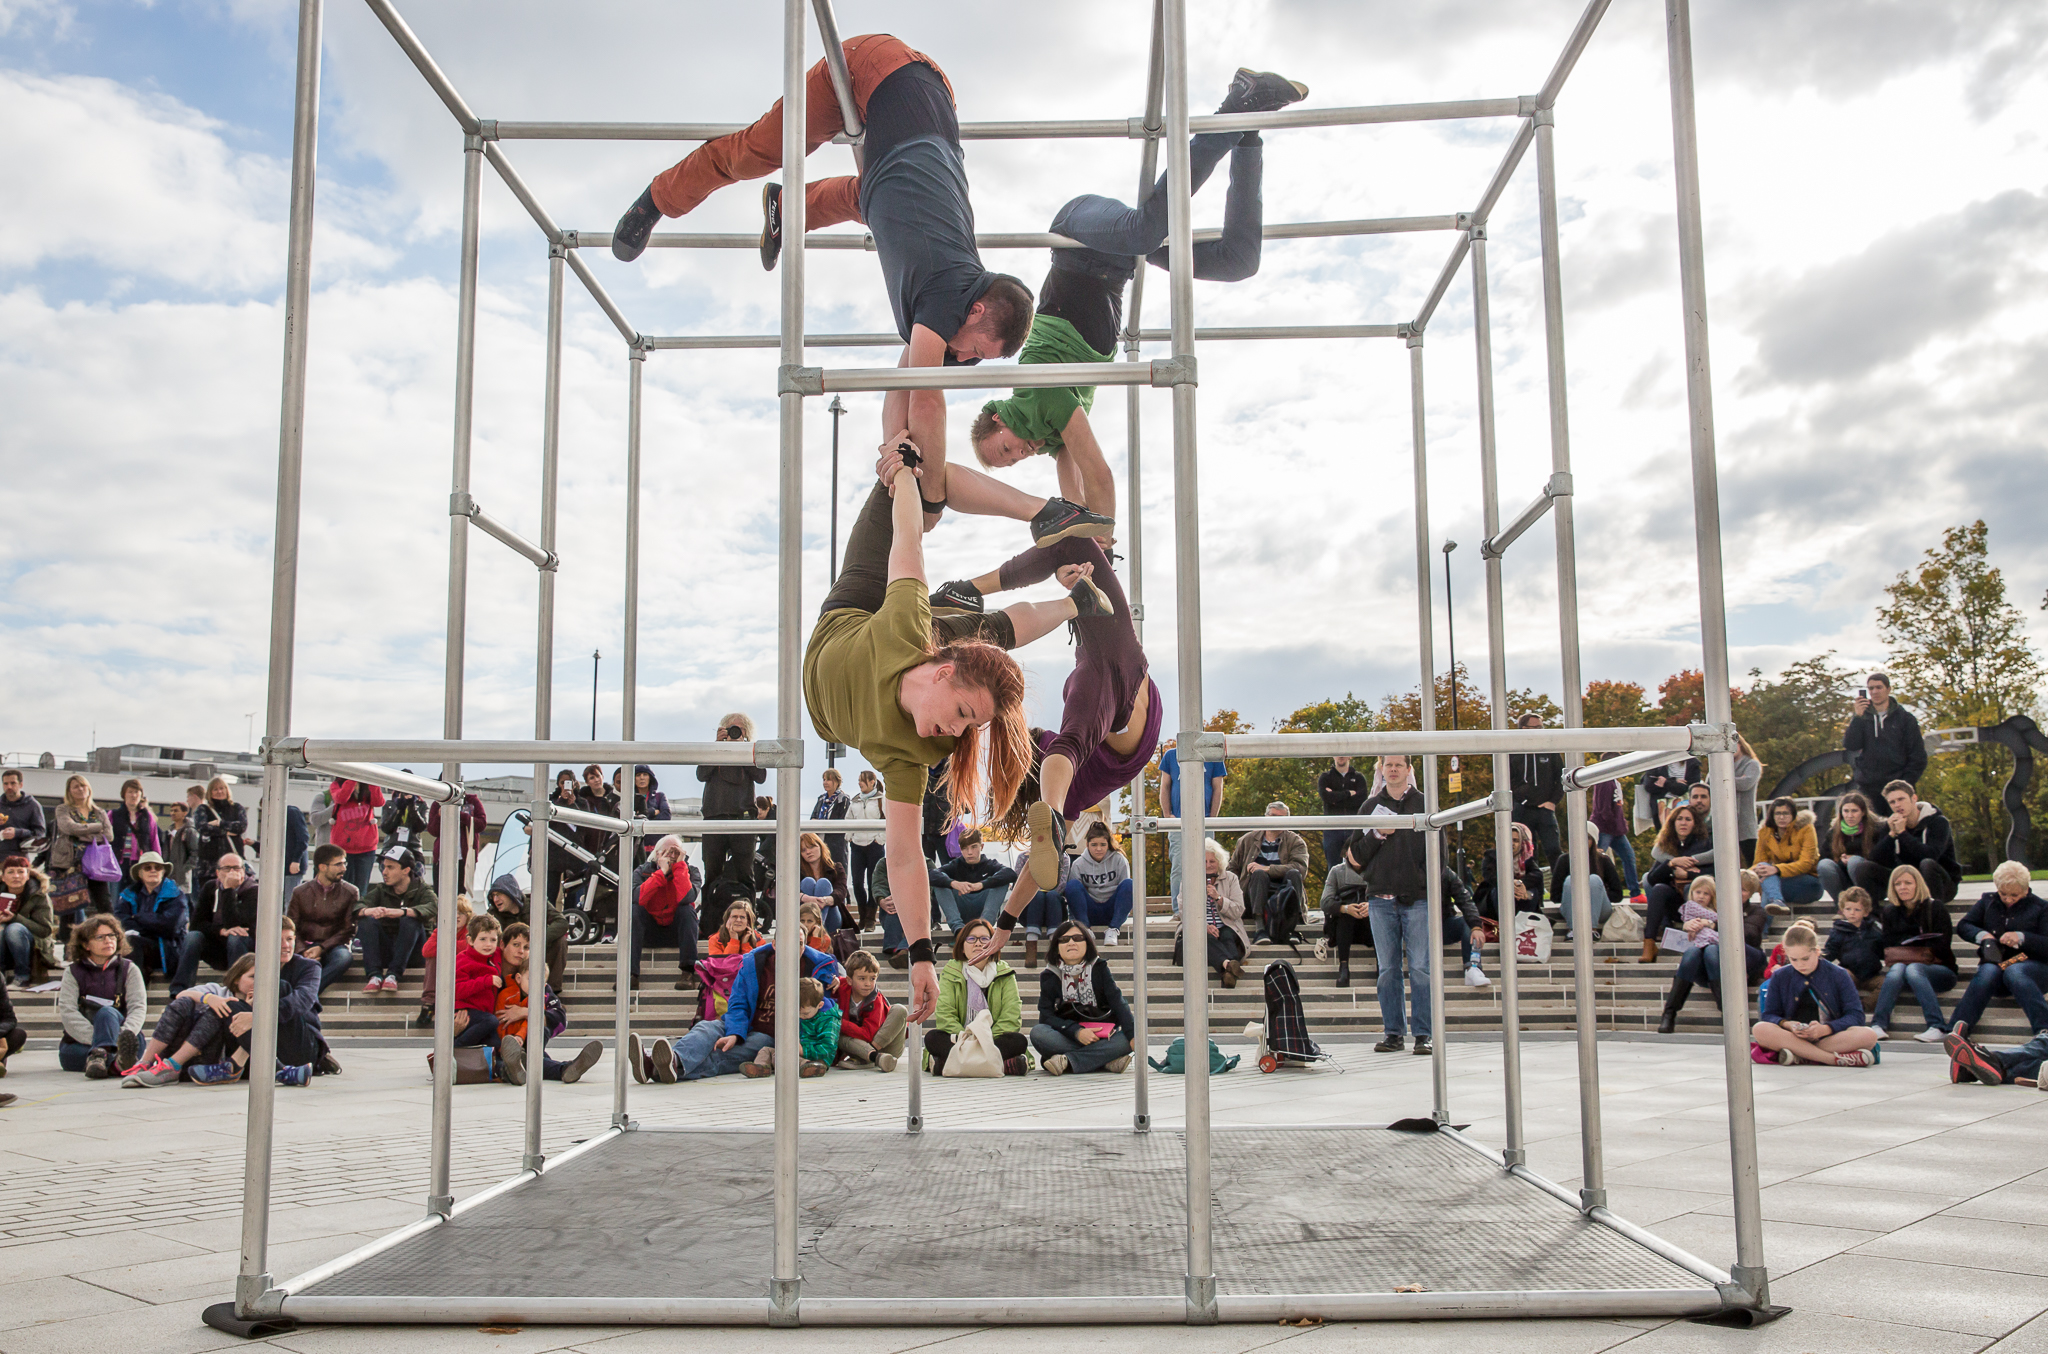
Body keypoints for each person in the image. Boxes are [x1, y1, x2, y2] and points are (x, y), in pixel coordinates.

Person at [613, 32, 1037, 505]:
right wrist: (933, 495)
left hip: (928, 108)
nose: (962, 360)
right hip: (875, 69)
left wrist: (896, 451)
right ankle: (659, 198)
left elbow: (903, 382)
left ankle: (786, 207)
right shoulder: (943, 294)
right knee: (761, 150)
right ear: (976, 310)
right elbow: (925, 398)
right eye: (973, 349)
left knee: (874, 201)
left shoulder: (959, 305)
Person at [969, 68, 1308, 521]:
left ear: (998, 417)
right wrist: (1075, 531)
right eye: (1014, 462)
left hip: (1078, 238)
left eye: (1007, 448)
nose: (1021, 453)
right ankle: (1247, 131)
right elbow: (1073, 486)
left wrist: (1100, 540)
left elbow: (1099, 475)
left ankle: (1238, 105)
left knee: (1147, 227)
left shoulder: (1037, 396)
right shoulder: (1049, 434)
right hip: (1121, 259)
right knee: (1238, 261)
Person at [804, 445, 1050, 1024]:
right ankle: (911, 448)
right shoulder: (908, 623)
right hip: (859, 610)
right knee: (899, 479)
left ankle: (1073, 602)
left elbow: (906, 856)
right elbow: (909, 540)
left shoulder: (918, 750)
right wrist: (905, 474)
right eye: (962, 712)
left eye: (971, 726)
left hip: (843, 660)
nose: (956, 732)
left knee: (988, 630)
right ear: (942, 673)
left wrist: (919, 954)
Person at [651, 938, 843, 1082]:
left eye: (799, 943)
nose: (794, 948)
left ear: (805, 946)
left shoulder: (817, 969)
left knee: (725, 1055)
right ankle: (673, 1060)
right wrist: (735, 1032)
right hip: (740, 1022)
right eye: (787, 941)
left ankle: (658, 1069)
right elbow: (738, 1002)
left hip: (769, 1035)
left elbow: (822, 1006)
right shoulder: (755, 964)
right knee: (705, 1028)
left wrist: (833, 982)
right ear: (775, 944)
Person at [1345, 755, 1432, 1055]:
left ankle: (1424, 1034)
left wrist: (1426, 885)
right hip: (1380, 900)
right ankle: (1393, 1033)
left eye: (1399, 765)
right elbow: (1353, 858)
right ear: (1381, 770)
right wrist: (1379, 833)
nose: (1393, 770)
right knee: (1388, 970)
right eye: (1388, 765)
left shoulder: (1425, 804)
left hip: (1417, 899)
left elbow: (1440, 857)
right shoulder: (1369, 807)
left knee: (1421, 968)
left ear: (1409, 770)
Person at [1751, 920, 1883, 1067]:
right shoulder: (1780, 975)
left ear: (1817, 951)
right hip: (1793, 1037)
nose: (1800, 964)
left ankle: (1800, 1055)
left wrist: (1826, 1029)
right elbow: (1769, 1015)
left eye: (1805, 958)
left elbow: (1856, 1016)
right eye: (1794, 959)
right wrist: (1788, 1025)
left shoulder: (1838, 974)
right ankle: (1831, 1059)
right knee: (1760, 1029)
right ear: (1786, 954)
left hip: (1828, 1037)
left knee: (1868, 1035)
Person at [119, 954, 259, 1086]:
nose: (258, 982)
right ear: (236, 978)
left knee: (224, 1008)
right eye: (253, 977)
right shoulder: (219, 991)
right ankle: (145, 1063)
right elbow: (181, 995)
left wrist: (248, 1009)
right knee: (184, 1002)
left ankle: (172, 1067)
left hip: (210, 1062)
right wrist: (209, 998)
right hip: (180, 1048)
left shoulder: (267, 1004)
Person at [1655, 872, 1767, 1033]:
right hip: (1713, 966)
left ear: (1751, 893)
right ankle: (1669, 1014)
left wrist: (1711, 924)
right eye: (1734, 887)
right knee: (1694, 953)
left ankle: (1729, 1014)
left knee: (1712, 949)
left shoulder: (1756, 912)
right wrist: (1688, 925)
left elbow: (1748, 935)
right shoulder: (1712, 908)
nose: (1736, 891)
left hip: (1746, 960)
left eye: (1743, 889)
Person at [494, 922, 603, 1086]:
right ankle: (566, 1068)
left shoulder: (539, 984)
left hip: (527, 1041)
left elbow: (559, 1019)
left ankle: (519, 1065)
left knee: (540, 1030)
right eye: (516, 945)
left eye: (527, 947)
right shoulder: (495, 978)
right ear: (502, 945)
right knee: (533, 1060)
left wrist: (525, 1012)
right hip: (498, 1043)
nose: (521, 951)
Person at [1952, 860, 2048, 1034]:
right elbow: (1964, 925)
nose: (2008, 899)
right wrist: (1984, 936)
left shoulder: (2041, 908)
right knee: (1989, 971)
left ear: (2026, 889)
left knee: (2014, 971)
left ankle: (2044, 1030)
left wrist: (2022, 937)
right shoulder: (1987, 901)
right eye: (2003, 894)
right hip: (1996, 964)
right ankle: (1956, 1030)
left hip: (2032, 967)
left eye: (2015, 895)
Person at [1030, 918, 1136, 1076]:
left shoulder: (1099, 968)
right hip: (1068, 1035)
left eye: (1078, 938)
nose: (1071, 943)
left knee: (1130, 1036)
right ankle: (1105, 1060)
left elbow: (1119, 1003)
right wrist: (1076, 1031)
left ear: (1087, 943)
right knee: (1038, 1033)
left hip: (1102, 1036)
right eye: (1064, 940)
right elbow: (1045, 1016)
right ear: (1057, 947)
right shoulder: (1050, 975)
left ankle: (1066, 1061)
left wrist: (1133, 1036)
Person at [927, 918, 1027, 1076]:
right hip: (961, 1037)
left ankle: (949, 1064)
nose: (978, 943)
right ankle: (1002, 1064)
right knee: (933, 1038)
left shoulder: (1005, 973)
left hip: (993, 1038)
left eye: (985, 939)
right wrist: (967, 1039)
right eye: (971, 939)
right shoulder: (951, 971)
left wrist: (985, 1040)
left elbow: (1011, 1014)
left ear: (994, 943)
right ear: (962, 945)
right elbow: (945, 1014)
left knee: (1018, 1041)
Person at [1869, 866, 1958, 1042]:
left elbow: (1943, 944)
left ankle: (1937, 1026)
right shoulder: (1889, 912)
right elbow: (1887, 945)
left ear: (1918, 884)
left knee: (1912, 968)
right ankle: (1878, 1025)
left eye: (1908, 883)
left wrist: (1911, 942)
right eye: (1898, 884)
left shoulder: (1935, 908)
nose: (1903, 887)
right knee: (1899, 969)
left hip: (1940, 971)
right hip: (1904, 971)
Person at [57, 914, 145, 1077]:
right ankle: (115, 1063)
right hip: (80, 1042)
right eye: (100, 937)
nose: (108, 941)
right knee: (71, 1055)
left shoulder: (129, 969)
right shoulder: (73, 972)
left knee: (106, 1012)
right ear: (86, 945)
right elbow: (68, 1013)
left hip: (125, 1038)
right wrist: (100, 1039)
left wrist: (118, 1037)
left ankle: (102, 1059)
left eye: (112, 936)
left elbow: (138, 1008)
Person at [701, 719, 768, 903]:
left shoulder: (750, 751)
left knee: (745, 873)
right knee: (712, 873)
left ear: (746, 732)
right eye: (731, 728)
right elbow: (701, 774)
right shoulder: (714, 751)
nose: (734, 732)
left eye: (739, 729)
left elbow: (761, 777)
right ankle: (708, 924)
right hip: (714, 817)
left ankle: (749, 921)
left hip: (744, 818)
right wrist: (717, 746)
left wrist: (743, 749)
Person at [1156, 738, 1227, 911]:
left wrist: (1212, 818)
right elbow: (1165, 786)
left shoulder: (1212, 757)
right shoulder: (1172, 755)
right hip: (1179, 821)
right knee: (1179, 866)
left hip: (1204, 820)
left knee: (1209, 864)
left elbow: (1217, 787)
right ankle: (1178, 910)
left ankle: (1208, 908)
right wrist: (1168, 815)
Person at [354, 846, 436, 994]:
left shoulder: (422, 889)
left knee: (410, 920)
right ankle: (374, 976)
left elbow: (434, 907)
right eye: (384, 867)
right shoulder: (381, 889)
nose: (384, 872)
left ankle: (393, 975)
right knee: (366, 920)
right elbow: (357, 907)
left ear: (406, 870)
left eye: (390, 867)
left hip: (413, 953)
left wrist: (402, 912)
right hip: (388, 950)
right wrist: (369, 910)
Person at [1639, 804, 1711, 963]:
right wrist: (1671, 863)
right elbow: (1652, 878)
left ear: (1695, 823)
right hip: (1675, 904)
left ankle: (1694, 944)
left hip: (1700, 904)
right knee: (1658, 889)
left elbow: (1713, 873)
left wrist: (1688, 873)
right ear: (1673, 823)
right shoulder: (1666, 845)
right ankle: (1649, 944)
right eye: (1679, 819)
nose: (1683, 823)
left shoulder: (1705, 843)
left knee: (1688, 888)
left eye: (1688, 819)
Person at [1228, 803, 1308, 946]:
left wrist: (1268, 869)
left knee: (1294, 873)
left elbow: (1301, 868)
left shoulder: (1296, 841)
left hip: (1284, 893)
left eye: (1281, 818)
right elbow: (1232, 868)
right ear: (1265, 816)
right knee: (1258, 874)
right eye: (1273, 816)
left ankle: (1292, 928)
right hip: (1253, 893)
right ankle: (1260, 928)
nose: (1276, 820)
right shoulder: (1246, 840)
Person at [1869, 780, 1961, 904]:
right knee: (1864, 867)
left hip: (1940, 884)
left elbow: (1930, 855)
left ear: (1914, 798)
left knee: (1927, 863)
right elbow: (1876, 858)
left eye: (1901, 799)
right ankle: (1875, 913)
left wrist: (1902, 834)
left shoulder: (1938, 822)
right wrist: (1891, 835)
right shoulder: (1892, 824)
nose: (1897, 805)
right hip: (1905, 883)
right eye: (1892, 802)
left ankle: (1932, 911)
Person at [1844, 673, 1926, 810]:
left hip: (1898, 788)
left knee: (1898, 827)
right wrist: (1857, 717)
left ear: (1888, 689)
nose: (1874, 692)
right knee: (1871, 829)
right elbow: (1851, 745)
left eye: (1879, 687)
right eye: (1871, 689)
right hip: (1868, 788)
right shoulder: (1863, 718)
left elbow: (1918, 756)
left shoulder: (1905, 719)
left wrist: (1905, 783)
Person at [1173, 838, 1248, 988]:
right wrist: (1204, 925)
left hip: (1226, 925)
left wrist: (1219, 898)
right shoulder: (1189, 880)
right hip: (1197, 929)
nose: (1208, 865)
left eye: (1212, 861)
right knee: (1202, 937)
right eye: (1204, 861)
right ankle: (1228, 966)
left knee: (1227, 938)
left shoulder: (1231, 878)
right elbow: (1184, 911)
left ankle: (1227, 969)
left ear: (1219, 862)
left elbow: (1238, 910)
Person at [286, 843, 358, 992]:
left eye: (344, 863)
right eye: (338, 864)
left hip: (334, 947)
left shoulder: (350, 892)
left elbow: (349, 929)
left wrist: (322, 948)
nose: (344, 868)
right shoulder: (300, 892)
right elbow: (291, 926)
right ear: (322, 867)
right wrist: (302, 950)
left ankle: (308, 992)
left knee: (344, 958)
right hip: (304, 946)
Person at [632, 837, 700, 993]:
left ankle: (688, 972)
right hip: (648, 932)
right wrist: (661, 873)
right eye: (667, 852)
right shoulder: (642, 871)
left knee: (687, 909)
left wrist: (679, 868)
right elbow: (638, 898)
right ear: (657, 854)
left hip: (677, 933)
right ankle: (631, 974)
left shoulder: (691, 871)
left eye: (675, 852)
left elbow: (687, 898)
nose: (671, 856)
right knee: (635, 910)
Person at [116, 850, 188, 981]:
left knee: (132, 942)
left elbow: (171, 927)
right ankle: (132, 990)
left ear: (163, 872)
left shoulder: (176, 894)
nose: (153, 870)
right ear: (140, 873)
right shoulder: (128, 894)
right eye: (148, 867)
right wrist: (154, 924)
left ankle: (132, 991)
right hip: (137, 947)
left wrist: (138, 917)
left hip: (168, 950)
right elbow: (119, 922)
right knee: (130, 942)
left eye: (158, 867)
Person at [49, 773, 114, 915]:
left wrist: (80, 832)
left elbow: (109, 836)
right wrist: (97, 828)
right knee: (69, 906)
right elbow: (69, 828)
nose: (80, 789)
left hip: (94, 861)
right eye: (76, 786)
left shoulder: (100, 812)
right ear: (69, 791)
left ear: (89, 788)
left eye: (83, 785)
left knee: (104, 902)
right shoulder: (63, 809)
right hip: (70, 861)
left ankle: (113, 933)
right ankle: (66, 938)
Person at [574, 765, 624, 942]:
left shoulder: (613, 797)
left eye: (597, 776)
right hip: (589, 848)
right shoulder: (583, 800)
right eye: (591, 778)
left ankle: (609, 925)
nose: (596, 780)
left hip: (609, 849)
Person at [834, 950, 907, 1071]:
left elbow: (868, 1035)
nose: (868, 984)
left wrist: (840, 1022)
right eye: (862, 979)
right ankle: (874, 1058)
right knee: (839, 1036)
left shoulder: (875, 999)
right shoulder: (841, 986)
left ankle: (867, 1058)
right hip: (856, 1047)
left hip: (886, 1047)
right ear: (849, 980)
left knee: (899, 1009)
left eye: (872, 979)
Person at [1509, 713, 1564, 871]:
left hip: (1544, 809)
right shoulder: (1513, 751)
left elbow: (1561, 776)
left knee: (1554, 850)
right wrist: (1519, 797)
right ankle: (1531, 891)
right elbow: (1505, 778)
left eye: (1542, 727)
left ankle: (1559, 890)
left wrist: (1553, 801)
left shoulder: (1548, 749)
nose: (1541, 730)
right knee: (1526, 854)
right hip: (1521, 809)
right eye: (1537, 727)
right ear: (1524, 729)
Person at [929, 828, 1015, 930]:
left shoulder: (990, 864)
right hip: (962, 910)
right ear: (960, 849)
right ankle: (958, 929)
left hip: (983, 910)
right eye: (965, 848)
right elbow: (931, 875)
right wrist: (953, 883)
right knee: (940, 883)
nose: (969, 852)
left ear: (981, 846)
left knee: (1002, 882)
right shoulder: (955, 865)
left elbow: (1011, 873)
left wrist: (982, 884)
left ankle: (984, 926)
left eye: (974, 847)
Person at [1549, 821, 1622, 940]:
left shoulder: (1603, 860)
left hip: (1599, 910)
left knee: (1593, 879)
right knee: (1570, 879)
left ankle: (1591, 930)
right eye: (1579, 836)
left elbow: (1617, 895)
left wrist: (1594, 894)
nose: (1583, 840)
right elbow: (1555, 896)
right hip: (1573, 908)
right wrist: (1578, 894)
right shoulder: (1564, 860)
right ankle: (1573, 930)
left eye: (1587, 838)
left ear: (1593, 840)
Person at [1064, 823, 1134, 947]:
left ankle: (1113, 930)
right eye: (1094, 845)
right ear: (1087, 845)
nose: (1098, 849)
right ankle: (1086, 929)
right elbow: (1074, 894)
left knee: (1130, 884)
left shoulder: (1119, 859)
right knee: (1072, 885)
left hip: (1112, 910)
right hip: (1090, 910)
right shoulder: (1079, 864)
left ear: (1108, 844)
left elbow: (1126, 890)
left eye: (1103, 845)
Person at [1751, 798, 1822, 914]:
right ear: (1772, 815)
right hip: (1777, 882)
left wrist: (1776, 869)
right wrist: (1745, 876)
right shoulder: (1765, 832)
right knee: (1763, 869)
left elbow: (1805, 864)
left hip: (1808, 883)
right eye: (1778, 813)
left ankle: (1763, 928)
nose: (1781, 817)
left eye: (1786, 813)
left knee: (1767, 885)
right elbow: (1758, 863)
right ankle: (1777, 901)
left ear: (1793, 815)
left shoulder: (1806, 829)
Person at [0, 855, 56, 988]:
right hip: (3, 944)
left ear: (27, 875)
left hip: (33, 944)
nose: (16, 876)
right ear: (3, 877)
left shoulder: (39, 895)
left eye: (21, 872)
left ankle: (22, 977)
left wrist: (15, 918)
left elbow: (45, 931)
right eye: (11, 872)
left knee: (14, 929)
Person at [452, 913, 506, 1052]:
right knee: (491, 1021)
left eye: (493, 940)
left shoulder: (496, 955)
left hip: (484, 1014)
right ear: (470, 941)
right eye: (482, 939)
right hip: (466, 1011)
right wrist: (486, 981)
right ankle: (455, 1048)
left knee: (495, 1043)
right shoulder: (463, 960)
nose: (488, 944)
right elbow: (457, 990)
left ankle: (498, 1070)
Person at [1817, 790, 1883, 901]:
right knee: (1824, 865)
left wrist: (1855, 858)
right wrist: (1840, 862)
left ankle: (1863, 905)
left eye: (1854, 811)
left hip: (1871, 881)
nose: (1850, 815)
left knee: (1855, 862)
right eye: (1846, 811)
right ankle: (1842, 906)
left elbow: (1882, 857)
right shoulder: (1833, 832)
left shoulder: (1877, 829)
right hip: (1844, 881)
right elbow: (1824, 857)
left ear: (1863, 812)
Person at [1474, 820, 1543, 925]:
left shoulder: (1526, 858)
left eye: (1515, 840)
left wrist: (1521, 884)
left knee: (1532, 891)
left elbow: (1537, 874)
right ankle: (1505, 925)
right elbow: (1490, 876)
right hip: (1496, 897)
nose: (1512, 843)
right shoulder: (1491, 856)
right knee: (1501, 890)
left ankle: (1525, 924)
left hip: (1521, 894)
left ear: (1521, 842)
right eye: (1508, 839)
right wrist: (1511, 884)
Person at [327, 776, 385, 896]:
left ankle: (357, 914)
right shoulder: (336, 785)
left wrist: (373, 781)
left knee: (361, 890)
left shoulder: (368, 787)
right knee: (341, 889)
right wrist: (352, 778)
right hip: (342, 848)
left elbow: (379, 802)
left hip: (366, 848)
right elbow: (341, 798)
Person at [843, 770, 886, 931]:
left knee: (872, 882)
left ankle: (870, 919)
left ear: (872, 782)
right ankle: (861, 915)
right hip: (857, 846)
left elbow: (888, 821)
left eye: (863, 780)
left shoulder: (882, 800)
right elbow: (848, 820)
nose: (860, 783)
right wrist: (850, 837)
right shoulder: (855, 801)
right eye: (859, 780)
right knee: (857, 883)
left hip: (875, 846)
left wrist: (879, 840)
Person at [190, 776, 248, 892]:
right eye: (215, 789)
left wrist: (219, 823)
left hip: (233, 864)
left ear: (227, 790)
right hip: (208, 866)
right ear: (210, 793)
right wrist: (227, 831)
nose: (219, 792)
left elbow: (242, 826)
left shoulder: (237, 808)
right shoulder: (203, 809)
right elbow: (203, 828)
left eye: (222, 788)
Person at [1588, 775, 1640, 901]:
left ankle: (1635, 893)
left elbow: (1617, 807)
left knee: (1629, 856)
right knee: (1596, 858)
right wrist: (1613, 823)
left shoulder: (1615, 782)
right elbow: (1604, 808)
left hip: (1616, 830)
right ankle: (1594, 890)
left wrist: (1621, 824)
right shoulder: (1604, 781)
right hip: (1605, 828)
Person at [1316, 756, 1369, 878]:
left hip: (1354, 829)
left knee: (1358, 866)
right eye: (1338, 752)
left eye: (1344, 752)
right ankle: (1333, 896)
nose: (1341, 756)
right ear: (1333, 755)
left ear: (1350, 756)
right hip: (1332, 829)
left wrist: (1335, 797)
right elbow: (1326, 798)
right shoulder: (1325, 777)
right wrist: (1348, 793)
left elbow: (1360, 800)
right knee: (1333, 869)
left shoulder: (1359, 778)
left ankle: (1357, 895)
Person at [1821, 886, 1886, 985]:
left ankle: (1866, 1002)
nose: (1852, 913)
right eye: (1848, 909)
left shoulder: (1874, 930)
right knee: (1841, 976)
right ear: (1843, 910)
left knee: (1885, 984)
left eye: (1857, 910)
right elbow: (1830, 951)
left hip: (1872, 975)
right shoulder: (1838, 931)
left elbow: (1883, 951)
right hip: (1850, 973)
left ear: (1866, 912)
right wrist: (1819, 957)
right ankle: (1850, 1000)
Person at [427, 792, 488, 896]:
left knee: (461, 894)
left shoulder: (471, 801)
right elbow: (433, 830)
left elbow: (481, 824)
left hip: (464, 857)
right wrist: (439, 816)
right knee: (440, 894)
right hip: (442, 858)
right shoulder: (437, 804)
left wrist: (461, 815)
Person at [796, 832, 851, 933]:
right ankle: (814, 933)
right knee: (808, 882)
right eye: (803, 850)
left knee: (823, 883)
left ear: (821, 846)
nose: (808, 852)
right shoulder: (797, 871)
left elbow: (841, 891)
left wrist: (825, 900)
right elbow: (788, 892)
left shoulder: (836, 868)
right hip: (803, 919)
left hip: (831, 916)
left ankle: (817, 932)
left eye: (812, 847)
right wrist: (809, 899)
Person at [108, 779, 160, 886]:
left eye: (136, 792)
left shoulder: (147, 817)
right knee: (116, 897)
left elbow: (154, 840)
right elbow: (105, 839)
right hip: (117, 862)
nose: (133, 795)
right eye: (130, 792)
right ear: (124, 794)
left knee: (138, 897)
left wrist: (157, 863)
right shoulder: (113, 814)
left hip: (140, 863)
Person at [788, 976, 841, 1079]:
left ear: (820, 1005)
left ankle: (808, 1066)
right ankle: (761, 1066)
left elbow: (827, 1048)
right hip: (795, 1052)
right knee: (767, 1051)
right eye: (797, 1012)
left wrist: (803, 1050)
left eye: (805, 1014)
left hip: (818, 1058)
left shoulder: (828, 1019)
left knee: (785, 1057)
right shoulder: (802, 1011)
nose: (800, 1016)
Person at [810, 770, 850, 885]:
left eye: (829, 779)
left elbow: (843, 820)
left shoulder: (843, 800)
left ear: (837, 781)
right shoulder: (821, 799)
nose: (825, 782)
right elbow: (813, 816)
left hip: (836, 842)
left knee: (837, 871)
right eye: (824, 780)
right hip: (820, 841)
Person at [630, 765, 672, 871]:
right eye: (638, 775)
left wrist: (643, 816)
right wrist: (653, 812)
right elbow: (632, 818)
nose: (642, 778)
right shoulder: (629, 798)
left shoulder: (660, 796)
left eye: (645, 774)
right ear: (633, 778)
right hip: (636, 851)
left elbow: (666, 816)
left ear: (650, 777)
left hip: (658, 850)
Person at [0, 769, 47, 857]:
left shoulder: (32, 805)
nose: (9, 787)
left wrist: (18, 832)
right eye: (5, 784)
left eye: (13, 783)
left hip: (19, 858)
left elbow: (40, 834)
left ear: (21, 784)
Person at [161, 800, 200, 898]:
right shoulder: (169, 832)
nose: (172, 813)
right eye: (171, 811)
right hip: (169, 875)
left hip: (183, 878)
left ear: (184, 813)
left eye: (176, 811)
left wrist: (184, 869)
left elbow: (195, 853)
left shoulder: (189, 831)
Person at [380, 783, 430, 854]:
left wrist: (412, 806)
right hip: (391, 847)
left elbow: (420, 827)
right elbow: (386, 828)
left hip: (413, 848)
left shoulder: (422, 805)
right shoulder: (389, 804)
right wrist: (399, 809)